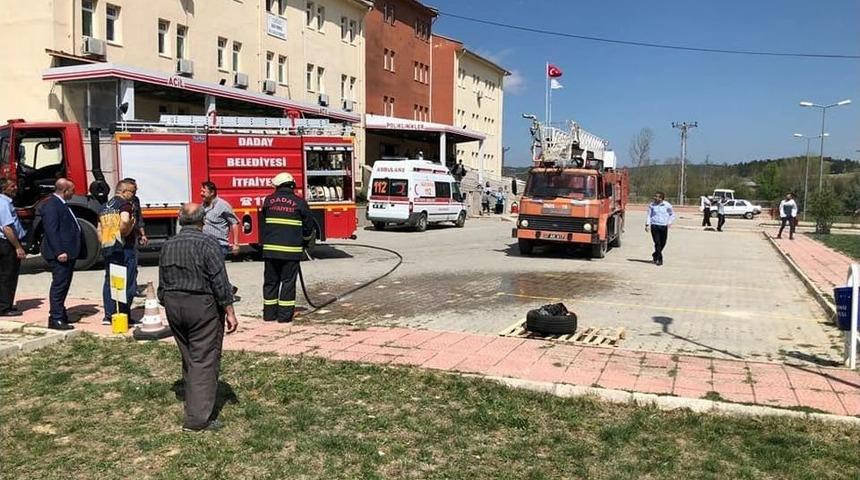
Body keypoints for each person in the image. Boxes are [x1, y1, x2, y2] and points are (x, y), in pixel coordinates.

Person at [158, 203, 238, 432]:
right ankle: (197, 420)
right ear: (203, 221)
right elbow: (219, 280)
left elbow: (163, 278)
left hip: (174, 305)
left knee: (189, 355)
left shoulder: (168, 244)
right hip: (201, 305)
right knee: (204, 357)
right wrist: (229, 310)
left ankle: (193, 397)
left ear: (180, 220)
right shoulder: (208, 243)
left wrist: (167, 301)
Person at [260, 172, 312, 323]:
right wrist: (306, 241)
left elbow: (264, 222)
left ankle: (269, 315)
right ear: (292, 186)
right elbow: (308, 227)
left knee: (271, 282)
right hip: (291, 252)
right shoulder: (299, 202)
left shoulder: (269, 200)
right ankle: (284, 316)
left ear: (278, 186)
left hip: (270, 251)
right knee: (288, 283)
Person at [39, 179, 84, 330]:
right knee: (59, 285)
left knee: (64, 284)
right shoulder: (51, 205)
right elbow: (51, 230)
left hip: (68, 252)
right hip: (60, 253)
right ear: (65, 191)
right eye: (72, 190)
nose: (74, 193)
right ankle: (56, 318)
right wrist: (59, 251)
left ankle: (60, 313)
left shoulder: (62, 204)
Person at [98, 180, 138, 325]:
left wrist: (104, 241)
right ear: (123, 191)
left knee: (110, 281)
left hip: (108, 248)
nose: (134, 195)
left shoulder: (104, 207)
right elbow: (125, 220)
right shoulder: (125, 205)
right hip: (123, 249)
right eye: (132, 192)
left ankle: (109, 315)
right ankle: (124, 314)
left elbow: (99, 229)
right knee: (128, 282)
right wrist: (124, 233)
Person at [0, 178, 26, 317]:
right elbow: (7, 228)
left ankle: (6, 304)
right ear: (4, 188)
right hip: (6, 244)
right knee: (7, 276)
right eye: (12, 186)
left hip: (5, 242)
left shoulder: (6, 202)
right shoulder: (3, 204)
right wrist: (17, 247)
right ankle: (4, 308)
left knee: (6, 275)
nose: (15, 188)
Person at [122, 178, 149, 299]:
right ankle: (125, 289)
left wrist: (142, 234)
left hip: (134, 235)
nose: (135, 192)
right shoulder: (120, 203)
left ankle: (133, 288)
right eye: (133, 190)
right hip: (124, 238)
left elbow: (139, 219)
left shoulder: (135, 200)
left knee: (134, 264)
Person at [200, 181, 241, 257]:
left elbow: (234, 223)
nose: (201, 193)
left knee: (215, 268)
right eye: (201, 191)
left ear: (212, 192)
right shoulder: (203, 205)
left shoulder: (223, 205)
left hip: (219, 246)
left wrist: (236, 244)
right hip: (205, 245)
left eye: (203, 191)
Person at [645, 191, 674, 266]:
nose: (655, 198)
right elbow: (649, 215)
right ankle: (660, 259)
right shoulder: (652, 205)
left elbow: (672, 214)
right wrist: (647, 224)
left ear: (661, 198)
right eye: (655, 196)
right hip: (654, 225)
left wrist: (669, 222)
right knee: (657, 243)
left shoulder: (667, 205)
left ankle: (655, 254)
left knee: (663, 243)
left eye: (657, 197)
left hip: (663, 226)